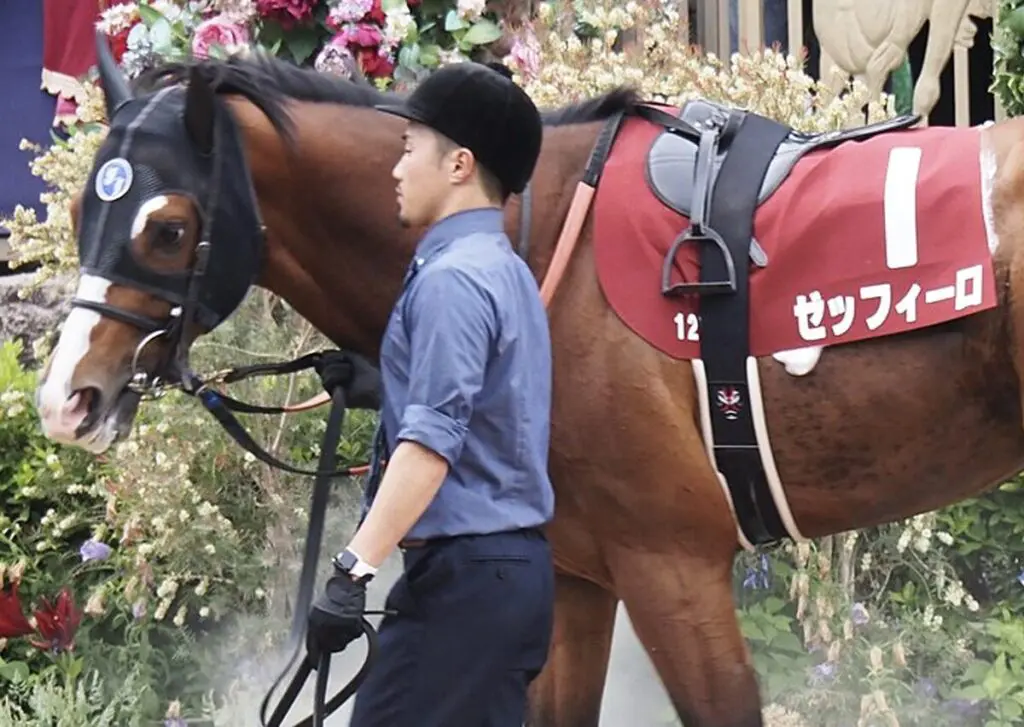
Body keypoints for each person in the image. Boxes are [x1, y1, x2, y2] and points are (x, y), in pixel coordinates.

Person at [305, 61, 556, 726]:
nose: (396, 167)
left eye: (410, 146)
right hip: (498, 576)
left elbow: (431, 446)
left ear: (459, 164)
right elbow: (487, 407)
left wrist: (353, 568)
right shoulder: (501, 270)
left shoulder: (452, 281)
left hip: (468, 585)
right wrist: (387, 385)